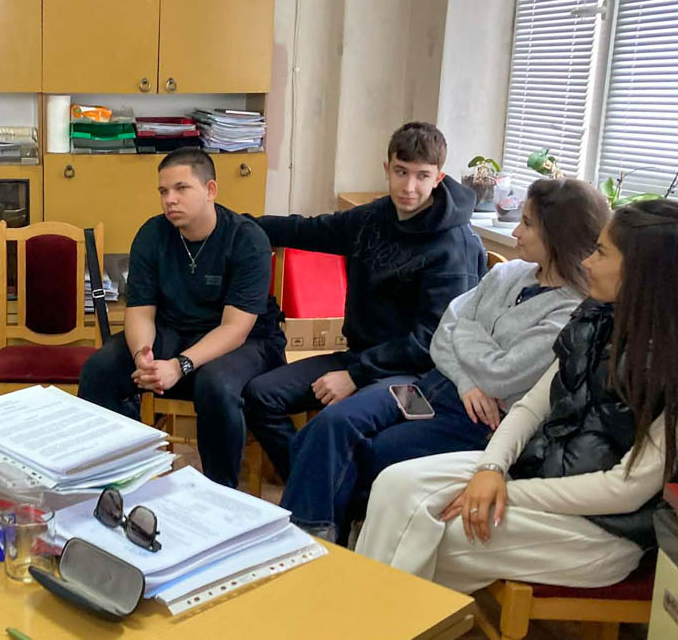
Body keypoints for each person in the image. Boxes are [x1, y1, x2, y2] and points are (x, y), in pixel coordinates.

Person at [357, 200, 678, 593]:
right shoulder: (596, 318)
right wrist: (491, 470)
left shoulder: (670, 367)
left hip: (601, 530)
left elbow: (624, 492)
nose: (587, 262)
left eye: (601, 252)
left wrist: (505, 490)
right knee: (393, 485)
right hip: (538, 470)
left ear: (643, 271)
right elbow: (530, 408)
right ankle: (375, 610)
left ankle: (374, 611)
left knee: (427, 532)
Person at [279, 178, 610, 543]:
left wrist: (466, 330)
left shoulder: (570, 311)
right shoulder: (507, 273)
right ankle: (307, 538)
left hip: (476, 419)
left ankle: (317, 542)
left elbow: (500, 375)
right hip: (430, 386)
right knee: (329, 426)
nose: (516, 231)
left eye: (527, 223)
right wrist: (467, 377)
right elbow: (442, 332)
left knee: (369, 452)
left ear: (558, 235)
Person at [242, 122, 486, 481]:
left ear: (439, 178)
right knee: (261, 395)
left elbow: (432, 341)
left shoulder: (454, 246)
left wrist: (356, 376)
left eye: (422, 176)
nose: (409, 186)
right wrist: (237, 224)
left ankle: (325, 492)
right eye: (401, 172)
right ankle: (315, 489)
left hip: (418, 378)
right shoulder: (374, 217)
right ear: (387, 169)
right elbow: (309, 229)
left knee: (334, 426)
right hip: (361, 356)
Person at [78, 149, 285, 488]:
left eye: (181, 188)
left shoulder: (247, 239)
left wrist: (179, 365)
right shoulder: (152, 234)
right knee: (100, 369)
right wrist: (142, 355)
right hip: (174, 331)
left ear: (210, 190)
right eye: (163, 191)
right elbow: (140, 312)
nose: (170, 200)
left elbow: (235, 328)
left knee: (215, 384)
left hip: (247, 342)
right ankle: (118, 480)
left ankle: (220, 493)